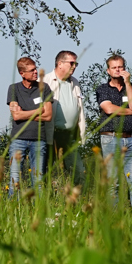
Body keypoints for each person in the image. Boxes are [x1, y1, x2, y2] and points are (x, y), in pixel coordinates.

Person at [95, 54, 132, 206]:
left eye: (120, 67)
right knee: (112, 183)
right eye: (114, 67)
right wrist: (130, 111)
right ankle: (114, 220)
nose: (117, 70)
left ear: (125, 68)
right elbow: (108, 109)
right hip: (110, 139)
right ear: (108, 71)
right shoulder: (103, 89)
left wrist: (127, 84)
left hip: (131, 139)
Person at [7, 57, 53, 195]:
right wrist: (38, 111)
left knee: (38, 181)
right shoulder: (13, 88)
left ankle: (37, 212)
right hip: (18, 139)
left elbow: (48, 116)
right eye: (32, 70)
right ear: (22, 73)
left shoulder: (44, 88)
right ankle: (12, 212)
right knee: (14, 179)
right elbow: (16, 116)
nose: (36, 72)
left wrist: (24, 113)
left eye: (35, 69)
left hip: (39, 140)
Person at [41, 50, 86, 185]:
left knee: (78, 172)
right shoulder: (45, 81)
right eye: (71, 63)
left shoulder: (75, 83)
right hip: (51, 135)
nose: (74, 66)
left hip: (70, 136)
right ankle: (46, 202)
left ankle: (77, 202)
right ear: (60, 63)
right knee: (47, 172)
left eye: (76, 63)